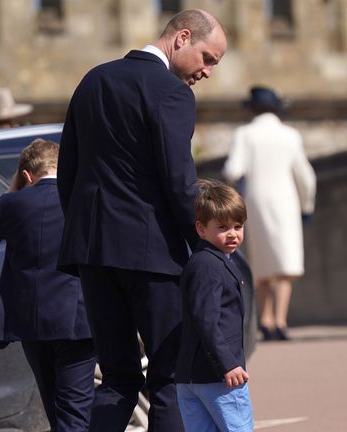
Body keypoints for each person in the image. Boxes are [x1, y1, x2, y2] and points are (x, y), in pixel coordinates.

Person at [57, 9, 228, 431]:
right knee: (168, 379)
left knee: (117, 378)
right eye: (207, 58)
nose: (207, 72)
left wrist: (86, 234)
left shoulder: (94, 80)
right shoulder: (171, 92)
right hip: (153, 257)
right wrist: (205, 241)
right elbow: (178, 182)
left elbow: (68, 173)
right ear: (181, 38)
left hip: (94, 252)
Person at [0, 139, 96, 431]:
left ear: (26, 175)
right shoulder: (83, 198)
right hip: (78, 320)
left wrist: (11, 190)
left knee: (54, 407)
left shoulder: (12, 203)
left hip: (31, 323)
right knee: (75, 412)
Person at [223, 86, 316, 342]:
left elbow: (232, 169)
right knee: (285, 264)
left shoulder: (245, 133)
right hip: (286, 200)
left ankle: (265, 319)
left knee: (261, 265)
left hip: (255, 200)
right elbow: (306, 177)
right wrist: (306, 206)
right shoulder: (290, 135)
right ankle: (280, 320)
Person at [176, 179, 253, 432]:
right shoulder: (209, 265)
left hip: (192, 376)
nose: (232, 233)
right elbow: (206, 320)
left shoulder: (204, 262)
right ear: (200, 229)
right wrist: (227, 364)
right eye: (222, 227)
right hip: (218, 377)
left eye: (238, 226)